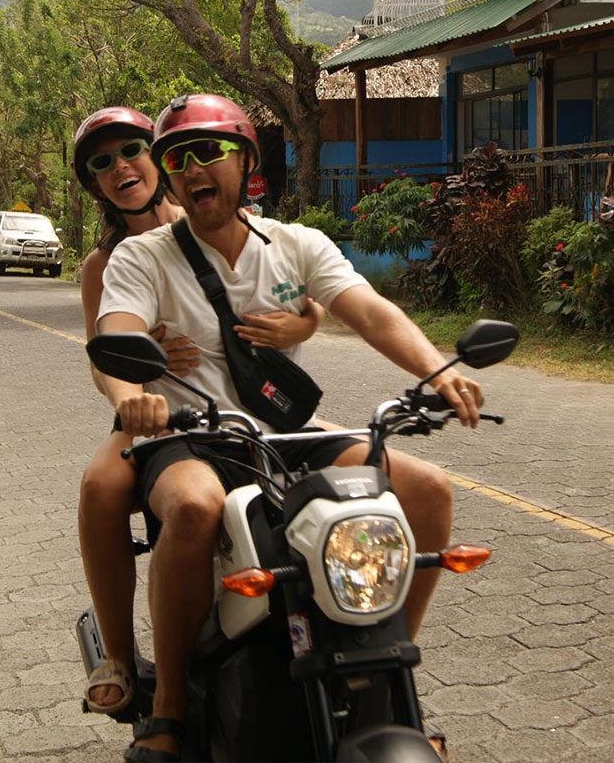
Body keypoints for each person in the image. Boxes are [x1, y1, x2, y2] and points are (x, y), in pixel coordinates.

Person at [94, 93, 481, 761]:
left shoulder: (296, 244)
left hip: (278, 432)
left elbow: (370, 311)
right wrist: (133, 395)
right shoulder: (143, 257)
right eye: (177, 158)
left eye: (207, 152)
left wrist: (437, 370)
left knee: (427, 490)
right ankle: (169, 709)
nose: (191, 170)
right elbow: (115, 333)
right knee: (192, 505)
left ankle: (385, 675)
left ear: (244, 160)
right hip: (188, 432)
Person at [73, 105, 324, 717]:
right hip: (151, 412)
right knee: (101, 486)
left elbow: (305, 298)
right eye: (102, 164)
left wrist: (306, 321)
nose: (120, 168)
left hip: (243, 408)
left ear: (156, 158)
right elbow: (99, 356)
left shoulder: (218, 217)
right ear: (95, 184)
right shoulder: (102, 265)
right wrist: (141, 374)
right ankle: (122, 658)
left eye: (130, 150)